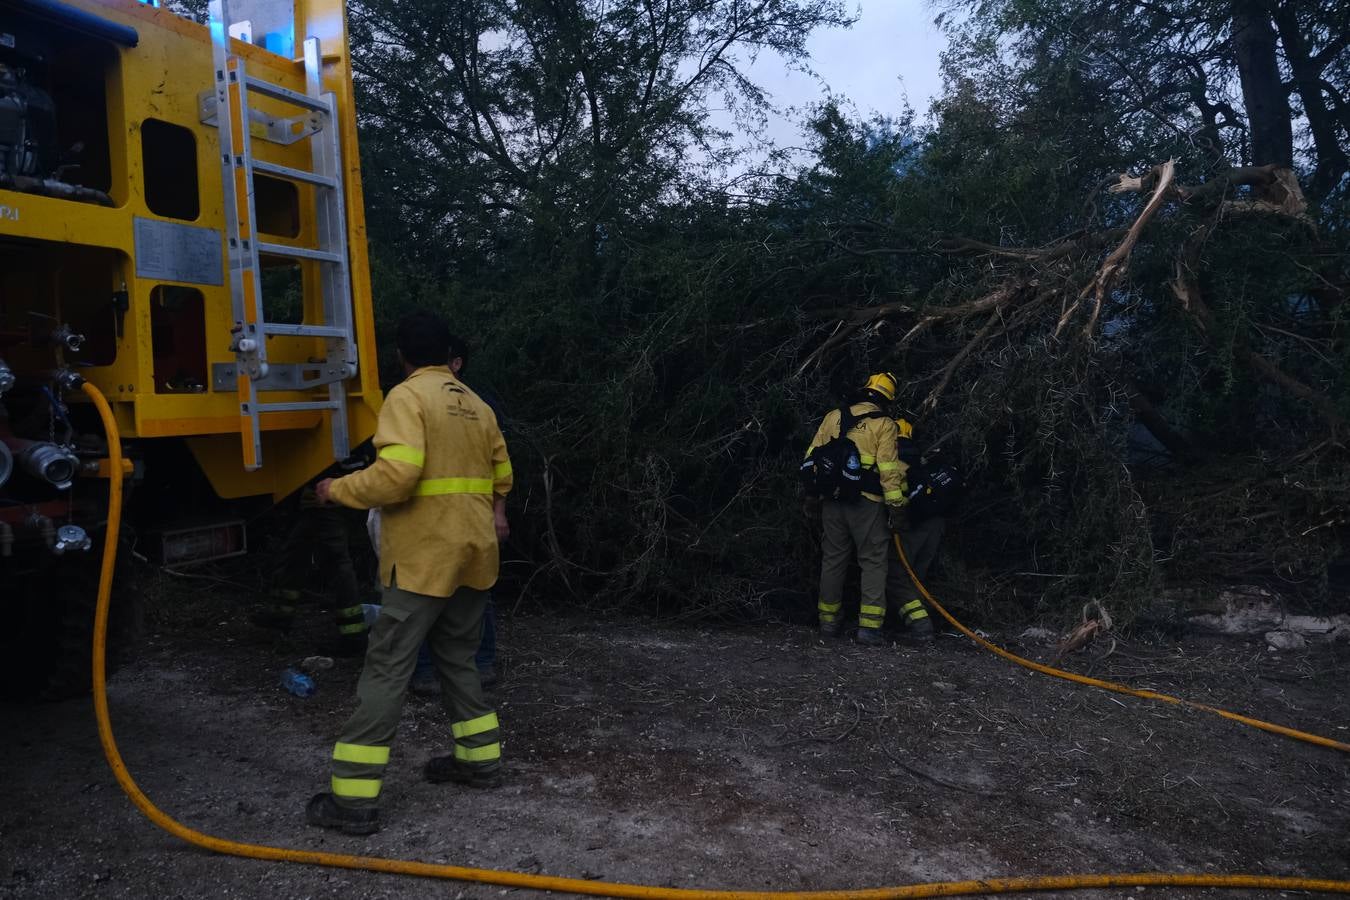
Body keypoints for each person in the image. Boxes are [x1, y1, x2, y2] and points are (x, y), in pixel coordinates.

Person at [305, 309, 513, 836]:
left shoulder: (406, 397)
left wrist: (338, 491)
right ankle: (480, 764)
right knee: (458, 659)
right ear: (449, 355)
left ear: (401, 356)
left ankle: (351, 800)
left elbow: (397, 477)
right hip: (474, 553)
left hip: (424, 558)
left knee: (387, 669)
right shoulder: (477, 404)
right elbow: (502, 475)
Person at [801, 372, 906, 646]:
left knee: (833, 559)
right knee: (872, 561)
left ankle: (828, 623)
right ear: (887, 400)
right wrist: (896, 509)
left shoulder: (833, 417)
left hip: (832, 502)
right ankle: (869, 629)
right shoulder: (885, 424)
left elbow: (811, 459)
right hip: (867, 504)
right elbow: (889, 472)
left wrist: (811, 499)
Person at [250, 450, 372, 657]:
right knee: (295, 553)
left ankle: (354, 636)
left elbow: (349, 463)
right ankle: (279, 615)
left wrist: (331, 488)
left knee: (336, 564)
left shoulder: (343, 429)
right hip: (322, 499)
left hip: (330, 501)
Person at [884, 417, 940, 642]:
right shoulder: (917, 456)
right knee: (917, 576)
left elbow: (893, 491)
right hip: (934, 525)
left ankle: (920, 625)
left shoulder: (897, 456)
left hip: (911, 526)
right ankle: (912, 622)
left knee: (896, 575)